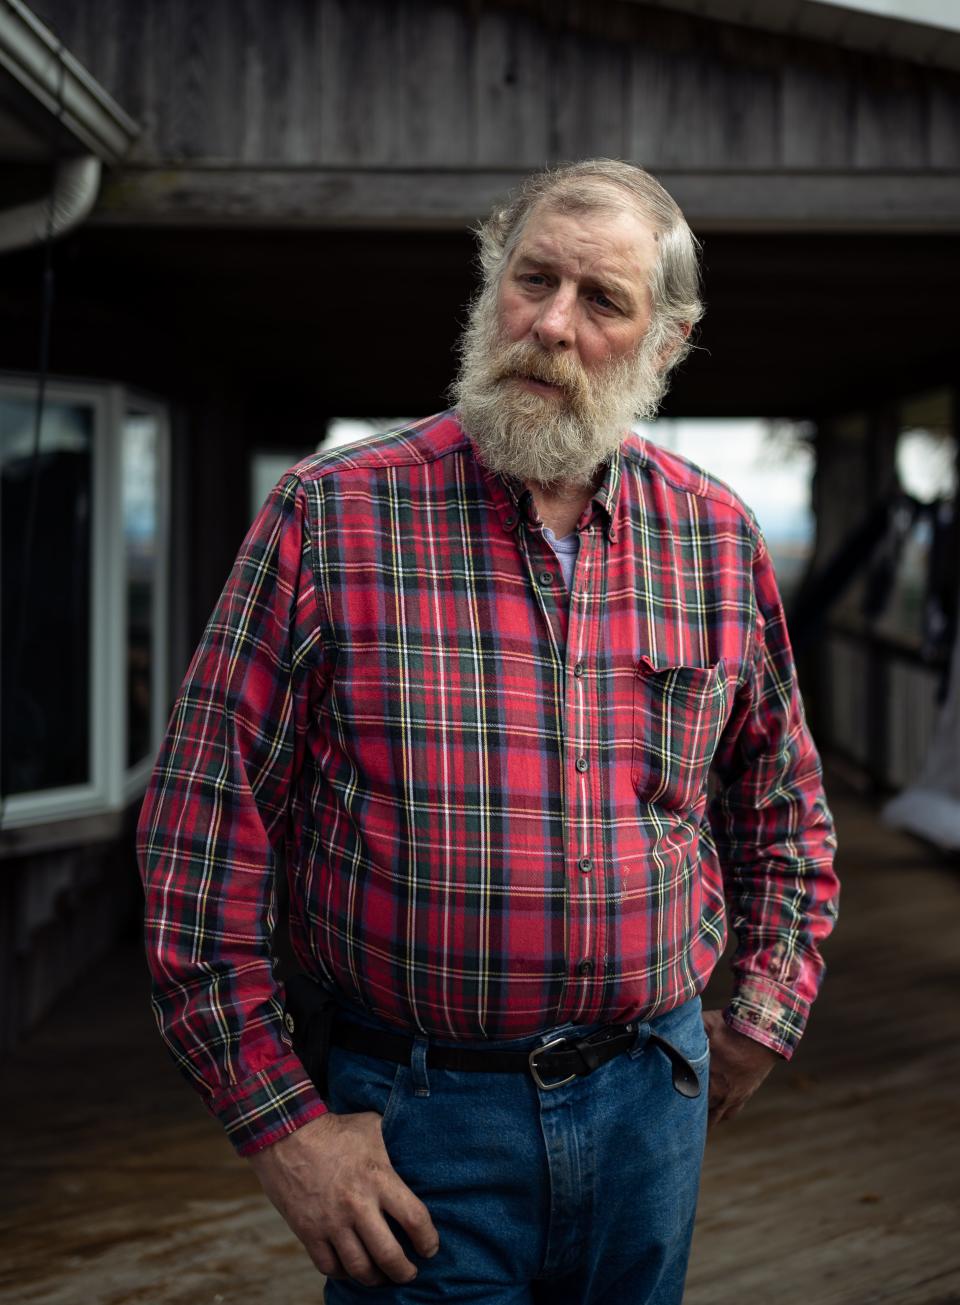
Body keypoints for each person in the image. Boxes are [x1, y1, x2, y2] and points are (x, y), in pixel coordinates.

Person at [137, 158, 839, 1304]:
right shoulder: (331, 516)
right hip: (416, 1121)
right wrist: (281, 1126)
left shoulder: (715, 539)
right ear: (491, 286)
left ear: (667, 342)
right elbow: (199, 840)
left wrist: (767, 1005)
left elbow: (782, 806)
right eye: (534, 281)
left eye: (602, 301)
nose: (553, 325)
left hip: (652, 1103)